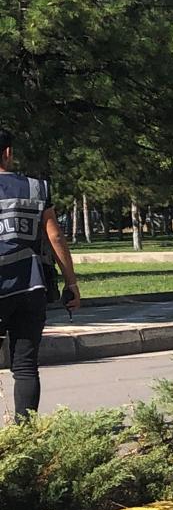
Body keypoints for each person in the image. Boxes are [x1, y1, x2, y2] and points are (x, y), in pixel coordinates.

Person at [0, 129, 81, 418]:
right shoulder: (37, 188)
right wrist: (71, 283)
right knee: (24, 366)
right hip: (30, 285)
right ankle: (25, 435)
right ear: (8, 152)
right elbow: (55, 237)